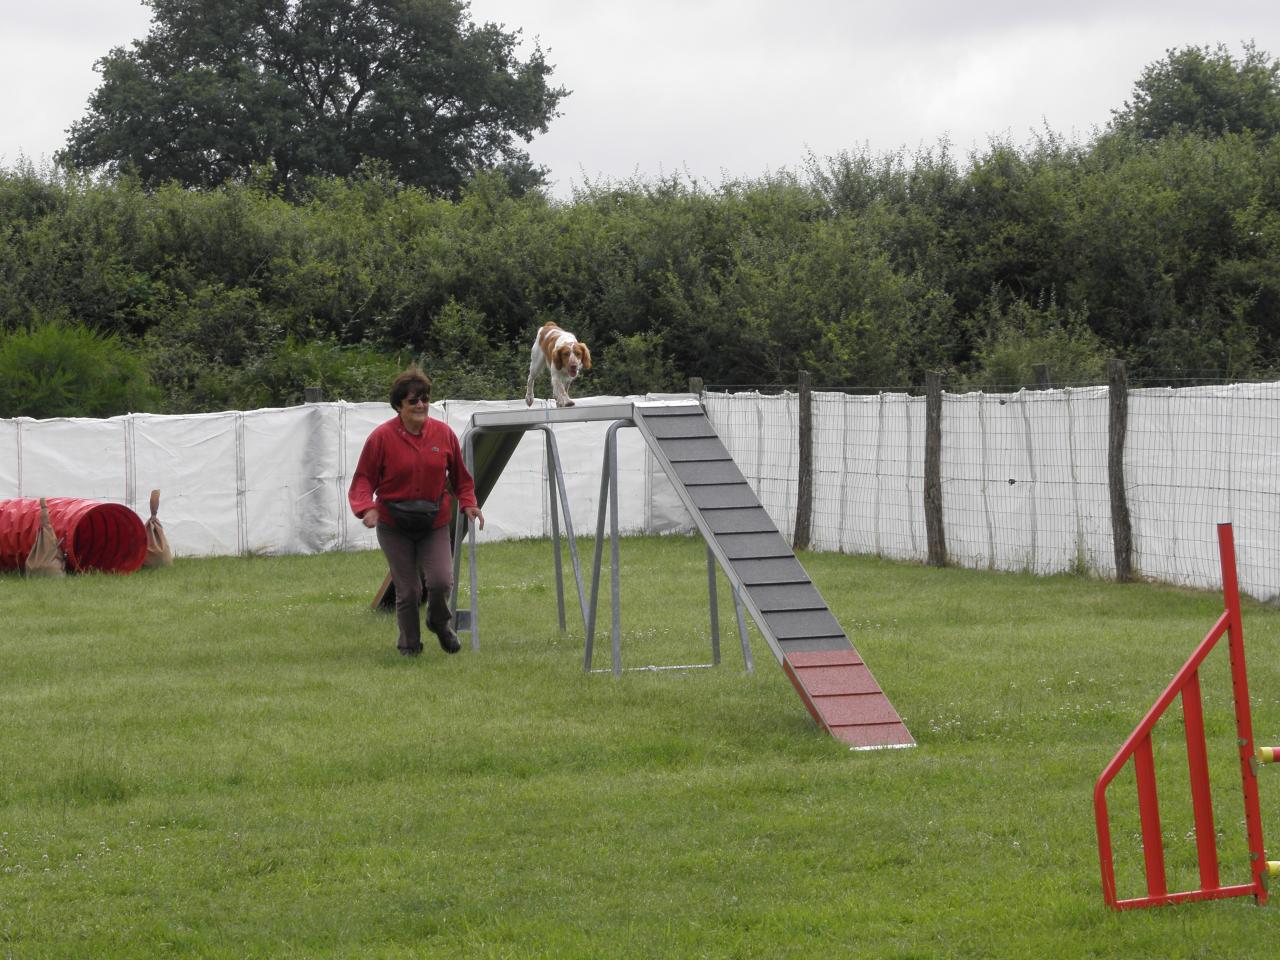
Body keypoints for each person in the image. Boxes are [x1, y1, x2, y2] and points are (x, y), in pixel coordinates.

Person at [349, 367, 484, 656]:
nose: (421, 405)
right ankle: (409, 647)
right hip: (393, 524)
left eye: (424, 399)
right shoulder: (381, 438)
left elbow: (461, 477)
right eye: (413, 401)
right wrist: (366, 509)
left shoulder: (443, 434)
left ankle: (438, 621)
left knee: (440, 581)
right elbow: (362, 480)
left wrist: (469, 503)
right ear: (399, 406)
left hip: (433, 521)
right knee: (408, 590)